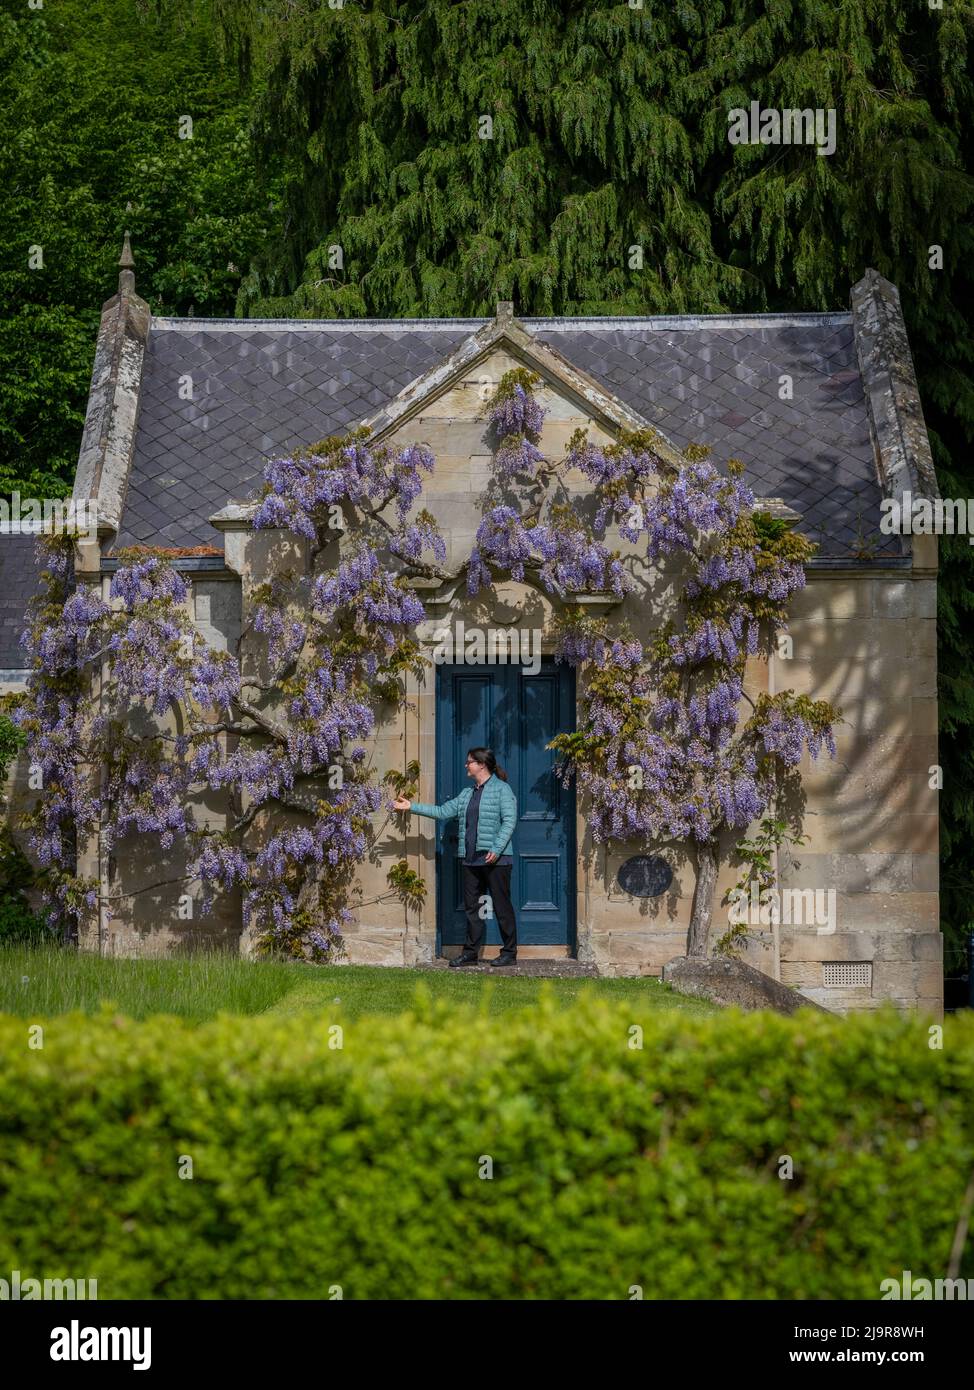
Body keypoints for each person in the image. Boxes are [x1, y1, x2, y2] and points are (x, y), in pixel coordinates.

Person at [392, 747, 518, 967]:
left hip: (496, 860)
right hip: (470, 859)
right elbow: (442, 812)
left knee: (502, 907)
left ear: (481, 764)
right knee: (472, 909)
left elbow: (509, 820)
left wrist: (497, 848)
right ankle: (470, 954)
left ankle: (509, 953)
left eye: (469, 762)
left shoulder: (502, 789)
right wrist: (411, 807)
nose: (466, 765)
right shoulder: (467, 793)